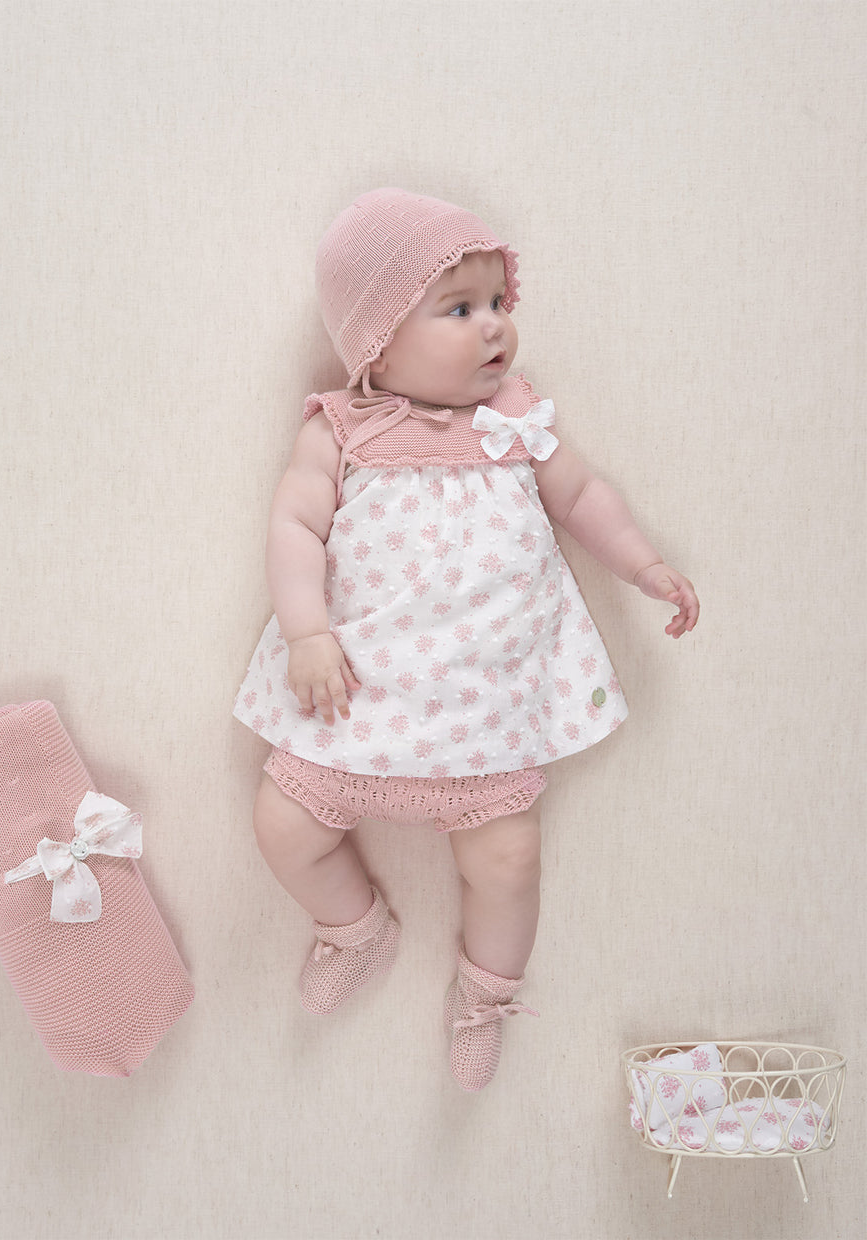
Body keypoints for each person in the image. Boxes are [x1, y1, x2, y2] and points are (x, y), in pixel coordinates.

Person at [234, 188, 698, 1090]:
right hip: (354, 701)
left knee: (510, 860)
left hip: (486, 710)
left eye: (497, 305)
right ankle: (353, 928)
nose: (495, 330)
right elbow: (293, 528)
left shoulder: (516, 419)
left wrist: (642, 564)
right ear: (376, 342)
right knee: (283, 825)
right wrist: (306, 633)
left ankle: (485, 996)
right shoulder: (342, 429)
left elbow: (581, 496)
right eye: (460, 309)